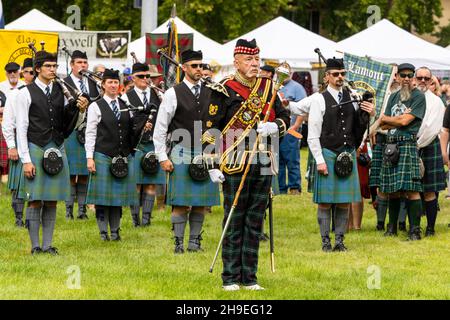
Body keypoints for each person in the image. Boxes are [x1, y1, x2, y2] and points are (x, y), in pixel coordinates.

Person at [203, 39, 290, 291]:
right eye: (249, 60)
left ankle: (250, 277)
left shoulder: (269, 88)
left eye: (257, 60)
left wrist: (276, 126)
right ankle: (230, 277)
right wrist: (211, 163)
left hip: (263, 161)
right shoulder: (223, 89)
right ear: (236, 61)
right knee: (234, 219)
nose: (254, 64)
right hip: (233, 162)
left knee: (255, 220)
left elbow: (285, 117)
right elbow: (211, 130)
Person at [16, 50, 88, 255]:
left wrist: (80, 110)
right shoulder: (25, 93)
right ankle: (35, 246)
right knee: (35, 199)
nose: (52, 70)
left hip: (56, 146)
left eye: (55, 66)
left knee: (51, 199)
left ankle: (47, 245)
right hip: (36, 147)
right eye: (48, 66)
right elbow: (21, 128)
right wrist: (26, 160)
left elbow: (70, 123)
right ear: (37, 69)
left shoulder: (61, 91)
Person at [153, 50, 220, 254]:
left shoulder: (212, 91)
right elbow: (161, 127)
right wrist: (162, 157)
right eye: (194, 66)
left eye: (201, 65)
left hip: (207, 152)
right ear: (184, 68)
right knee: (180, 203)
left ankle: (194, 243)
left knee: (200, 202)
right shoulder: (173, 93)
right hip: (181, 151)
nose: (199, 69)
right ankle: (178, 243)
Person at [308, 57, 374, 252]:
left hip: (348, 153)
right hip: (328, 153)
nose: (339, 77)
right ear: (327, 76)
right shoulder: (319, 99)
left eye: (342, 74)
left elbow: (360, 127)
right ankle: (325, 241)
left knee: (345, 201)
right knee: (326, 202)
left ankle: (339, 240)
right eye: (335, 74)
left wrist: (368, 113)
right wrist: (320, 160)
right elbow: (313, 135)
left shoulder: (353, 97)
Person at [85, 69, 148, 241]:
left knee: (117, 198)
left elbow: (131, 130)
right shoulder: (95, 106)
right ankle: (103, 232)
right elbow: (90, 133)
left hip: (122, 157)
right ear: (103, 85)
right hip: (102, 155)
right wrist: (89, 157)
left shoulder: (125, 105)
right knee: (102, 199)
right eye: (109, 82)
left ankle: (115, 231)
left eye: (115, 82)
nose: (113, 85)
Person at [379, 63, 426, 240]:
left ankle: (414, 230)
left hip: (407, 144)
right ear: (397, 77)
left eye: (410, 76)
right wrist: (395, 119)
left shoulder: (418, 97)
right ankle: (392, 228)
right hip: (391, 145)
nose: (406, 79)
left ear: (413, 77)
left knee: (411, 188)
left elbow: (405, 122)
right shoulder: (393, 97)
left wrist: (393, 119)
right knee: (392, 188)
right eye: (403, 75)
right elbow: (383, 124)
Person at [121, 62, 164, 227]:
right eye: (141, 76)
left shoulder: (157, 95)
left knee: (151, 183)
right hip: (136, 144)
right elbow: (125, 122)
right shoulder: (126, 96)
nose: (145, 79)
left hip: (153, 143)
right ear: (133, 77)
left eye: (147, 76)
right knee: (136, 183)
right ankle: (135, 220)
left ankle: (146, 220)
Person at [63, 50, 101, 220]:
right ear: (72, 65)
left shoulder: (93, 83)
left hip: (88, 130)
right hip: (71, 129)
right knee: (71, 174)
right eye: (79, 62)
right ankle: (69, 210)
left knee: (85, 174)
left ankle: (82, 211)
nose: (83, 66)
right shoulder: (64, 83)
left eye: (85, 62)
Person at [2, 58, 34, 227]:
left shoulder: (43, 93)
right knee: (19, 184)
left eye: (34, 71)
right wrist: (11, 146)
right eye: (28, 71)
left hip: (37, 141)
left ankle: (33, 217)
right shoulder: (15, 93)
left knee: (34, 182)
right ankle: (19, 218)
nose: (31, 74)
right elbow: (8, 122)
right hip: (19, 140)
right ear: (23, 73)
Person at [415, 67, 446, 237]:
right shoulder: (409, 98)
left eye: (426, 78)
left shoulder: (436, 102)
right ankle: (415, 227)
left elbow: (431, 129)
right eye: (419, 77)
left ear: (431, 81)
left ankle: (430, 228)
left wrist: (416, 144)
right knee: (413, 190)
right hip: (411, 145)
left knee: (429, 190)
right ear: (414, 78)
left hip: (427, 146)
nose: (422, 81)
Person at [369, 64, 399, 231]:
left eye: (397, 74)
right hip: (381, 139)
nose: (394, 78)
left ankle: (398, 223)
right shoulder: (380, 94)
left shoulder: (403, 94)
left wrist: (384, 120)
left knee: (399, 184)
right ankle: (380, 223)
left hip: (399, 140)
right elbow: (377, 119)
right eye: (392, 74)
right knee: (380, 182)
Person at [278, 63, 307, 195]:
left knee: (292, 159)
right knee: (278, 160)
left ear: (290, 73)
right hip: (277, 129)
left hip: (291, 129)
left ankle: (294, 187)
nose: (282, 75)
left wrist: (295, 127)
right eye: (280, 72)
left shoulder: (297, 88)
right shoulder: (275, 87)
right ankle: (280, 188)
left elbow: (303, 110)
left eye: (285, 72)